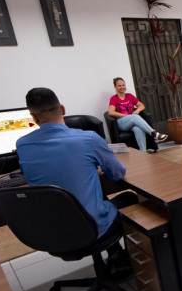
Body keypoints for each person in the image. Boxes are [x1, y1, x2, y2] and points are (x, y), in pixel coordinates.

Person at [17, 87, 130, 239]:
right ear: (63, 109)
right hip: (91, 229)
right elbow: (118, 173)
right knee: (129, 197)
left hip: (53, 233)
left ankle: (113, 255)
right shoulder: (88, 138)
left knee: (97, 197)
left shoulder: (22, 144)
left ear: (34, 117)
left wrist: (86, 171)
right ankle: (122, 256)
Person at [108, 77, 168, 153]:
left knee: (138, 129)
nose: (122, 87)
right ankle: (154, 133)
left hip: (132, 121)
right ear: (115, 87)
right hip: (121, 123)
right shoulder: (114, 98)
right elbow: (111, 112)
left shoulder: (129, 96)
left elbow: (142, 105)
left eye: (123, 85)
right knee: (133, 117)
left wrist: (137, 111)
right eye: (119, 86)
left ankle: (143, 152)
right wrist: (126, 116)